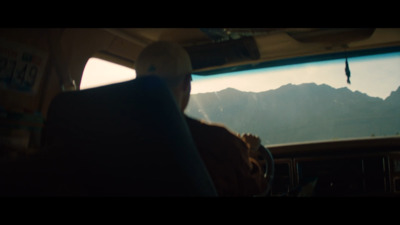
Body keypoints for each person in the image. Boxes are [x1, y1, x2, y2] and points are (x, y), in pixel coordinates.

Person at [135, 41, 269, 196]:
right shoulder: (221, 143)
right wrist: (249, 154)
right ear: (187, 83)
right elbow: (256, 189)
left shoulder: (113, 140)